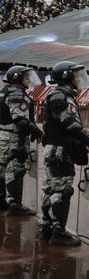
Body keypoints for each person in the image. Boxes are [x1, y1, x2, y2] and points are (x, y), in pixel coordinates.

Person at [41, 61, 89, 246]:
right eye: (75, 75)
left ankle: (48, 227)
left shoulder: (56, 95)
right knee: (62, 190)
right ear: (66, 76)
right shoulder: (62, 97)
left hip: (53, 148)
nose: (78, 78)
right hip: (60, 150)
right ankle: (58, 232)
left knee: (51, 189)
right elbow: (72, 124)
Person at [0, 66, 43, 215]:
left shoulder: (6, 91)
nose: (28, 81)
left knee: (3, 169)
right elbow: (20, 119)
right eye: (25, 78)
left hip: (4, 136)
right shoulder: (17, 93)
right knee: (16, 170)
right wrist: (38, 132)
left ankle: (3, 200)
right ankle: (15, 204)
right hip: (14, 138)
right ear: (17, 78)